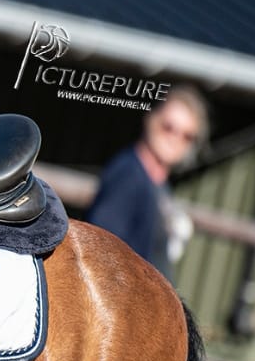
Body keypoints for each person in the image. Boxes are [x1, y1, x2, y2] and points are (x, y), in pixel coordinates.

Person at [86, 85, 208, 283]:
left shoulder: (158, 184)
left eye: (187, 136)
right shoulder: (128, 175)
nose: (175, 140)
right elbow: (100, 251)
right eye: (169, 127)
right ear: (151, 118)